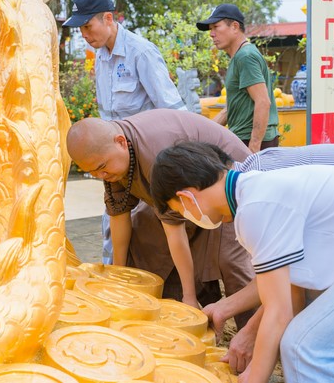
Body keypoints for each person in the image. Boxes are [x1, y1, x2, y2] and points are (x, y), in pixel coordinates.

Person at [150, 141, 334, 383]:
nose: (187, 218)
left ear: (186, 197)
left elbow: (279, 311)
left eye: (179, 211)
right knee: (303, 342)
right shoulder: (255, 191)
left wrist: (253, 377)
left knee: (306, 349)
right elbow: (293, 292)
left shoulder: (257, 206)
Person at [66, 109, 255, 322]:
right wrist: (118, 279)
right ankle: (167, 316)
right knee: (143, 233)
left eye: (102, 168)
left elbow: (174, 233)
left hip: (227, 188)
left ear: (120, 142)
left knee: (229, 258)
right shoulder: (113, 161)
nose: (102, 176)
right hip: (186, 194)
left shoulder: (157, 156)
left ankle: (252, 336)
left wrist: (189, 296)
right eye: (93, 173)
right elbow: (119, 218)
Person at [64, 0, 187, 263]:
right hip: (114, 160)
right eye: (80, 29)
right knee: (113, 224)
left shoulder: (140, 52)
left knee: (153, 230)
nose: (84, 34)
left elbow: (173, 109)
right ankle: (116, 284)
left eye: (87, 26)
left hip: (148, 160)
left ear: (108, 18)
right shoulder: (101, 55)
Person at [196, 4, 279, 153]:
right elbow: (230, 109)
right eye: (210, 29)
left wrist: (253, 150)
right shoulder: (238, 57)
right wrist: (203, 133)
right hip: (242, 139)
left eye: (216, 27)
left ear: (234, 26)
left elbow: (263, 102)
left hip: (253, 142)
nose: (211, 34)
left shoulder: (245, 56)